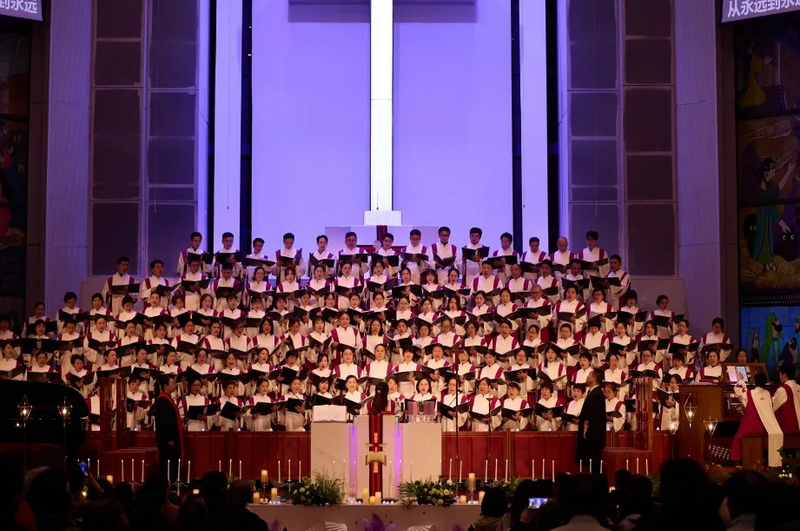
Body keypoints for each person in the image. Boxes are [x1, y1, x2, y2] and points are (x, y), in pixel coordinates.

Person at [732, 372, 783, 466]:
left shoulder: (751, 393)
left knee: (738, 437)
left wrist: (740, 379)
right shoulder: (767, 394)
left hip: (750, 427)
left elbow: (739, 390)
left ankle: (738, 462)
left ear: (754, 382)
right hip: (765, 427)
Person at [152, 374, 182, 482]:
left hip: (171, 439)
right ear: (165, 386)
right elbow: (165, 421)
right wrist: (169, 438)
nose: (175, 385)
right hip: (168, 441)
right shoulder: (162, 400)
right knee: (169, 464)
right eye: (172, 383)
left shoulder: (167, 398)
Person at [576, 368, 605, 467]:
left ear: (594, 378)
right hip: (590, 435)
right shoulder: (593, 392)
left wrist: (588, 433)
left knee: (593, 465)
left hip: (592, 437)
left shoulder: (597, 394)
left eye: (589, 375)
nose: (587, 376)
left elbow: (596, 418)